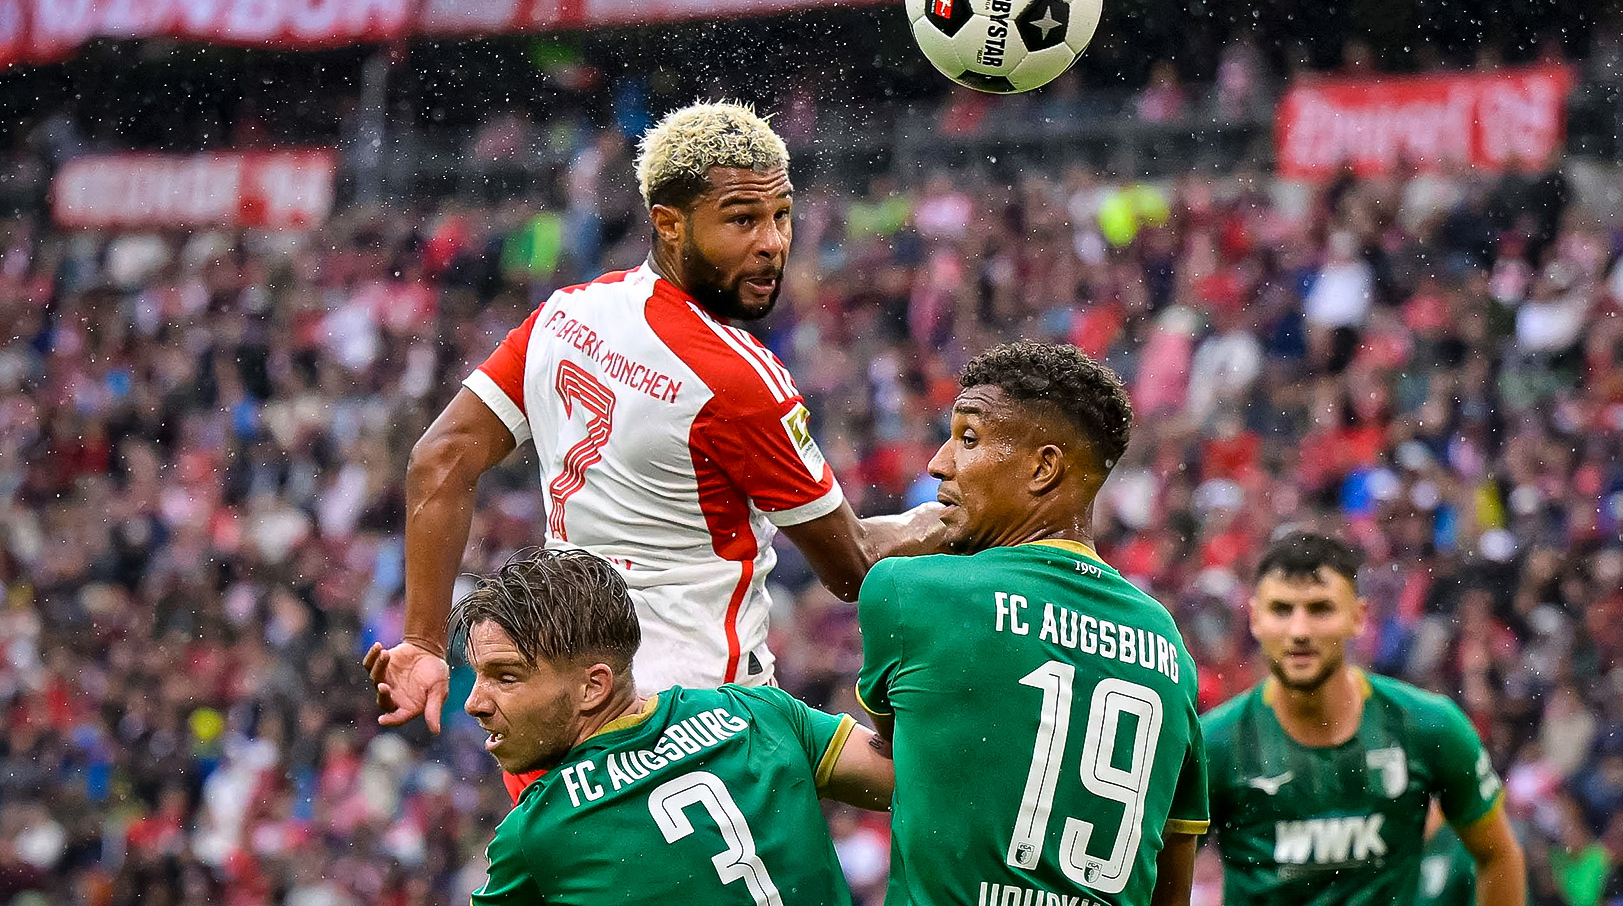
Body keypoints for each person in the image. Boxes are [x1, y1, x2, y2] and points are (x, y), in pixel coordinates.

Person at [369, 101, 946, 745]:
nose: (772, 243)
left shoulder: (566, 315)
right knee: (927, 775)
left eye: (781, 216)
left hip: (572, 713)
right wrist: (960, 515)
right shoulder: (738, 380)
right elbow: (854, 566)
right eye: (742, 220)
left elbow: (440, 458)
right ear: (668, 224)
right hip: (703, 726)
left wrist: (421, 642)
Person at [856, 342, 1209, 906]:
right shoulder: (1167, 642)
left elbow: (902, 761)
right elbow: (1172, 881)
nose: (939, 462)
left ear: (1044, 468)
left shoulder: (910, 590)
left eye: (968, 438)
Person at [407, 549, 895, 905]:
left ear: (592, 687)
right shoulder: (757, 711)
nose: (473, 703)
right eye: (476, 675)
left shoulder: (536, 834)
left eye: (505, 677)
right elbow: (915, 783)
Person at [1201, 530, 1526, 906]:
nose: (1300, 630)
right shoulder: (1214, 744)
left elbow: (1499, 855)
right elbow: (1162, 875)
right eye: (1282, 609)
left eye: (1320, 608)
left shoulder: (1429, 727)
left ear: (1359, 617)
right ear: (1255, 619)